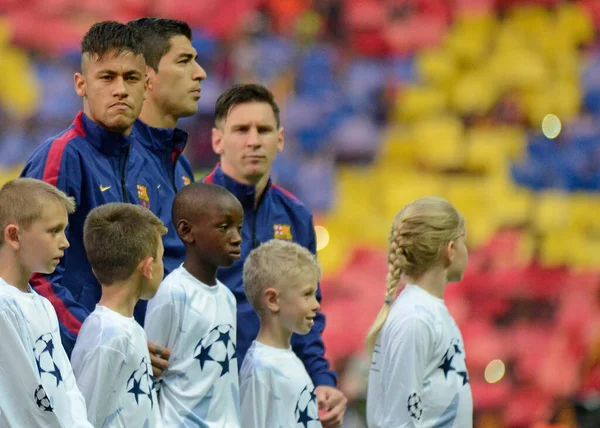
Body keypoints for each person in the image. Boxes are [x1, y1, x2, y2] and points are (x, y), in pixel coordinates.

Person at [19, 21, 166, 375]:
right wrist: (104, 342)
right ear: (81, 84)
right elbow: (31, 274)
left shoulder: (147, 166)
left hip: (132, 361)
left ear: (147, 86)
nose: (120, 89)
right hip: (73, 364)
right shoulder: (61, 157)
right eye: (107, 77)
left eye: (131, 78)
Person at [204, 83, 346, 427]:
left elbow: (307, 310)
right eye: (241, 129)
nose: (253, 140)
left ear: (280, 139)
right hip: (207, 400)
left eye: (263, 130)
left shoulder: (296, 215)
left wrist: (322, 379)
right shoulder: (192, 210)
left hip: (277, 399)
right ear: (217, 140)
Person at [365, 196, 473, 427]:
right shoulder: (415, 319)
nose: (467, 251)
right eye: (464, 242)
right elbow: (400, 421)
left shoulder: (428, 311)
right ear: (450, 250)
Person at [145, 182, 243, 426]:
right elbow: (149, 375)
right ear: (187, 231)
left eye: (239, 228)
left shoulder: (227, 298)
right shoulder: (172, 292)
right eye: (224, 227)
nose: (237, 238)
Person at [0, 178, 91, 427]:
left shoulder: (42, 304)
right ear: (14, 235)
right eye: (54, 231)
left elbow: (67, 385)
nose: (65, 242)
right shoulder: (4, 307)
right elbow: (21, 404)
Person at [71, 203, 167, 427]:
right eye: (161, 258)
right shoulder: (110, 339)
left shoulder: (127, 328)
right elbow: (83, 419)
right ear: (148, 267)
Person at [127, 17, 207, 276]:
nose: (200, 73)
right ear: (146, 77)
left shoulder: (179, 163)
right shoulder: (114, 159)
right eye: (184, 61)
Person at [240, 239, 323, 428]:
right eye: (307, 294)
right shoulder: (260, 368)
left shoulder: (288, 357)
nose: (316, 304)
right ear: (273, 300)